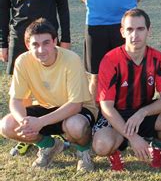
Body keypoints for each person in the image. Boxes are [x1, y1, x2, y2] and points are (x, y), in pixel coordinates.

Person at [0, 0, 70, 156]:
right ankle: (29, 134)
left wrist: (66, 37)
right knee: (24, 91)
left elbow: (63, 5)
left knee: (55, 83)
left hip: (49, 38)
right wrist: (3, 43)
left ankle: (55, 129)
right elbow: (3, 9)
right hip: (19, 37)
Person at [0, 18, 97, 171]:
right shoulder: (22, 61)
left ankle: (84, 151)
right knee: (7, 125)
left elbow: (75, 105)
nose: (41, 49)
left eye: (46, 43)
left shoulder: (71, 59)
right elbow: (15, 100)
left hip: (76, 111)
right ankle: (49, 146)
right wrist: (24, 122)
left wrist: (40, 123)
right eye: (35, 45)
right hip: (47, 108)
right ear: (27, 46)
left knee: (75, 126)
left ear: (55, 41)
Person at [92, 8, 161, 171]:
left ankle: (157, 148)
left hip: (142, 112)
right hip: (116, 114)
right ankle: (117, 149)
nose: (135, 35)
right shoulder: (110, 60)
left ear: (149, 30)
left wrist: (142, 113)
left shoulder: (158, 59)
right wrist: (132, 137)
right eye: (130, 29)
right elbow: (106, 107)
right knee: (101, 146)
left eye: (140, 29)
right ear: (122, 32)